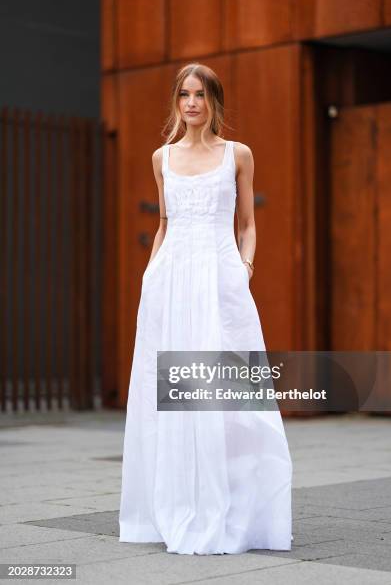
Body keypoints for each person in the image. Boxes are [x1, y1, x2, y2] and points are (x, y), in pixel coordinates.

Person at [119, 63, 293, 555]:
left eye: (200, 95)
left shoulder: (238, 154)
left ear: (214, 101)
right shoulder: (162, 158)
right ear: (176, 102)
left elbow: (248, 224)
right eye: (184, 95)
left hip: (221, 282)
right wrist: (149, 278)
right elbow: (164, 225)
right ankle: (176, 502)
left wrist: (245, 267)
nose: (191, 103)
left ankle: (237, 505)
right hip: (169, 285)